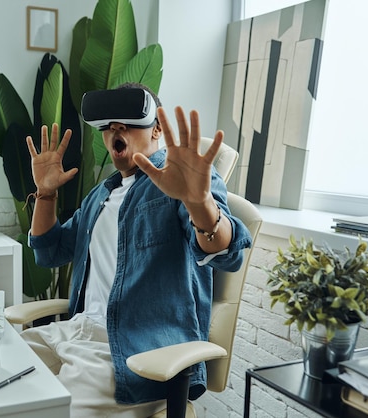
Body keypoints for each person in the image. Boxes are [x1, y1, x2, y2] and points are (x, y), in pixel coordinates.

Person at [22, 83, 252, 417]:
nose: (116, 131)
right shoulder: (100, 195)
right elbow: (50, 252)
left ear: (157, 128)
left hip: (130, 352)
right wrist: (45, 195)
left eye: (128, 123)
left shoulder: (179, 182)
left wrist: (198, 201)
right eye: (108, 127)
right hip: (73, 332)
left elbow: (226, 253)